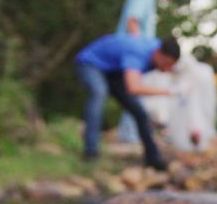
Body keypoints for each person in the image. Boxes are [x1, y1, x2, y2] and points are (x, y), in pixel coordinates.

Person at [75, 34, 181, 170]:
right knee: (99, 93)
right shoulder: (138, 53)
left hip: (115, 73)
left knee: (139, 112)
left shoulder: (159, 49)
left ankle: (153, 159)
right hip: (91, 64)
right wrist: (170, 91)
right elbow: (133, 87)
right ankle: (90, 152)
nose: (167, 69)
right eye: (166, 64)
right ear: (159, 54)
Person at [115, 0, 181, 143]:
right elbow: (132, 21)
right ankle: (129, 136)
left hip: (136, 53)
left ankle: (129, 134)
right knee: (135, 91)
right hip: (133, 53)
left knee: (133, 92)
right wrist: (139, 48)